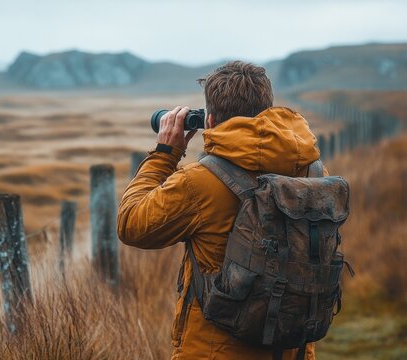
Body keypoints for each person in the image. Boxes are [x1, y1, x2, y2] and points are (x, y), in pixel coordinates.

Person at [117, 61, 323, 359]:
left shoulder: (199, 182)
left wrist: (165, 154)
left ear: (209, 120)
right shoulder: (313, 172)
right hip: (292, 349)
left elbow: (131, 224)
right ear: (266, 110)